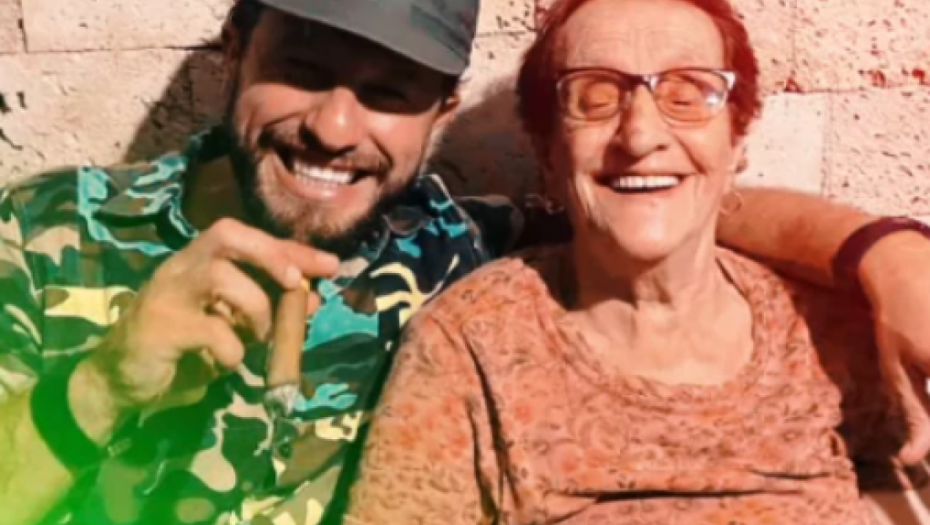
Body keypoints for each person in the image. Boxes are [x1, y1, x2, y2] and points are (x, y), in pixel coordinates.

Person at [1, 0, 930, 524]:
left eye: (389, 92)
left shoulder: (457, 245)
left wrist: (886, 255)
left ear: (440, 115)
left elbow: (655, 203)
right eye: (304, 70)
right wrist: (98, 385)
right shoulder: (45, 232)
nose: (335, 126)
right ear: (235, 51)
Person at [341, 0, 930, 523]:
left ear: (737, 140)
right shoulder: (473, 346)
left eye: (688, 95)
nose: (641, 135)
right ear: (548, 151)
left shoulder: (828, 335)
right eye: (594, 98)